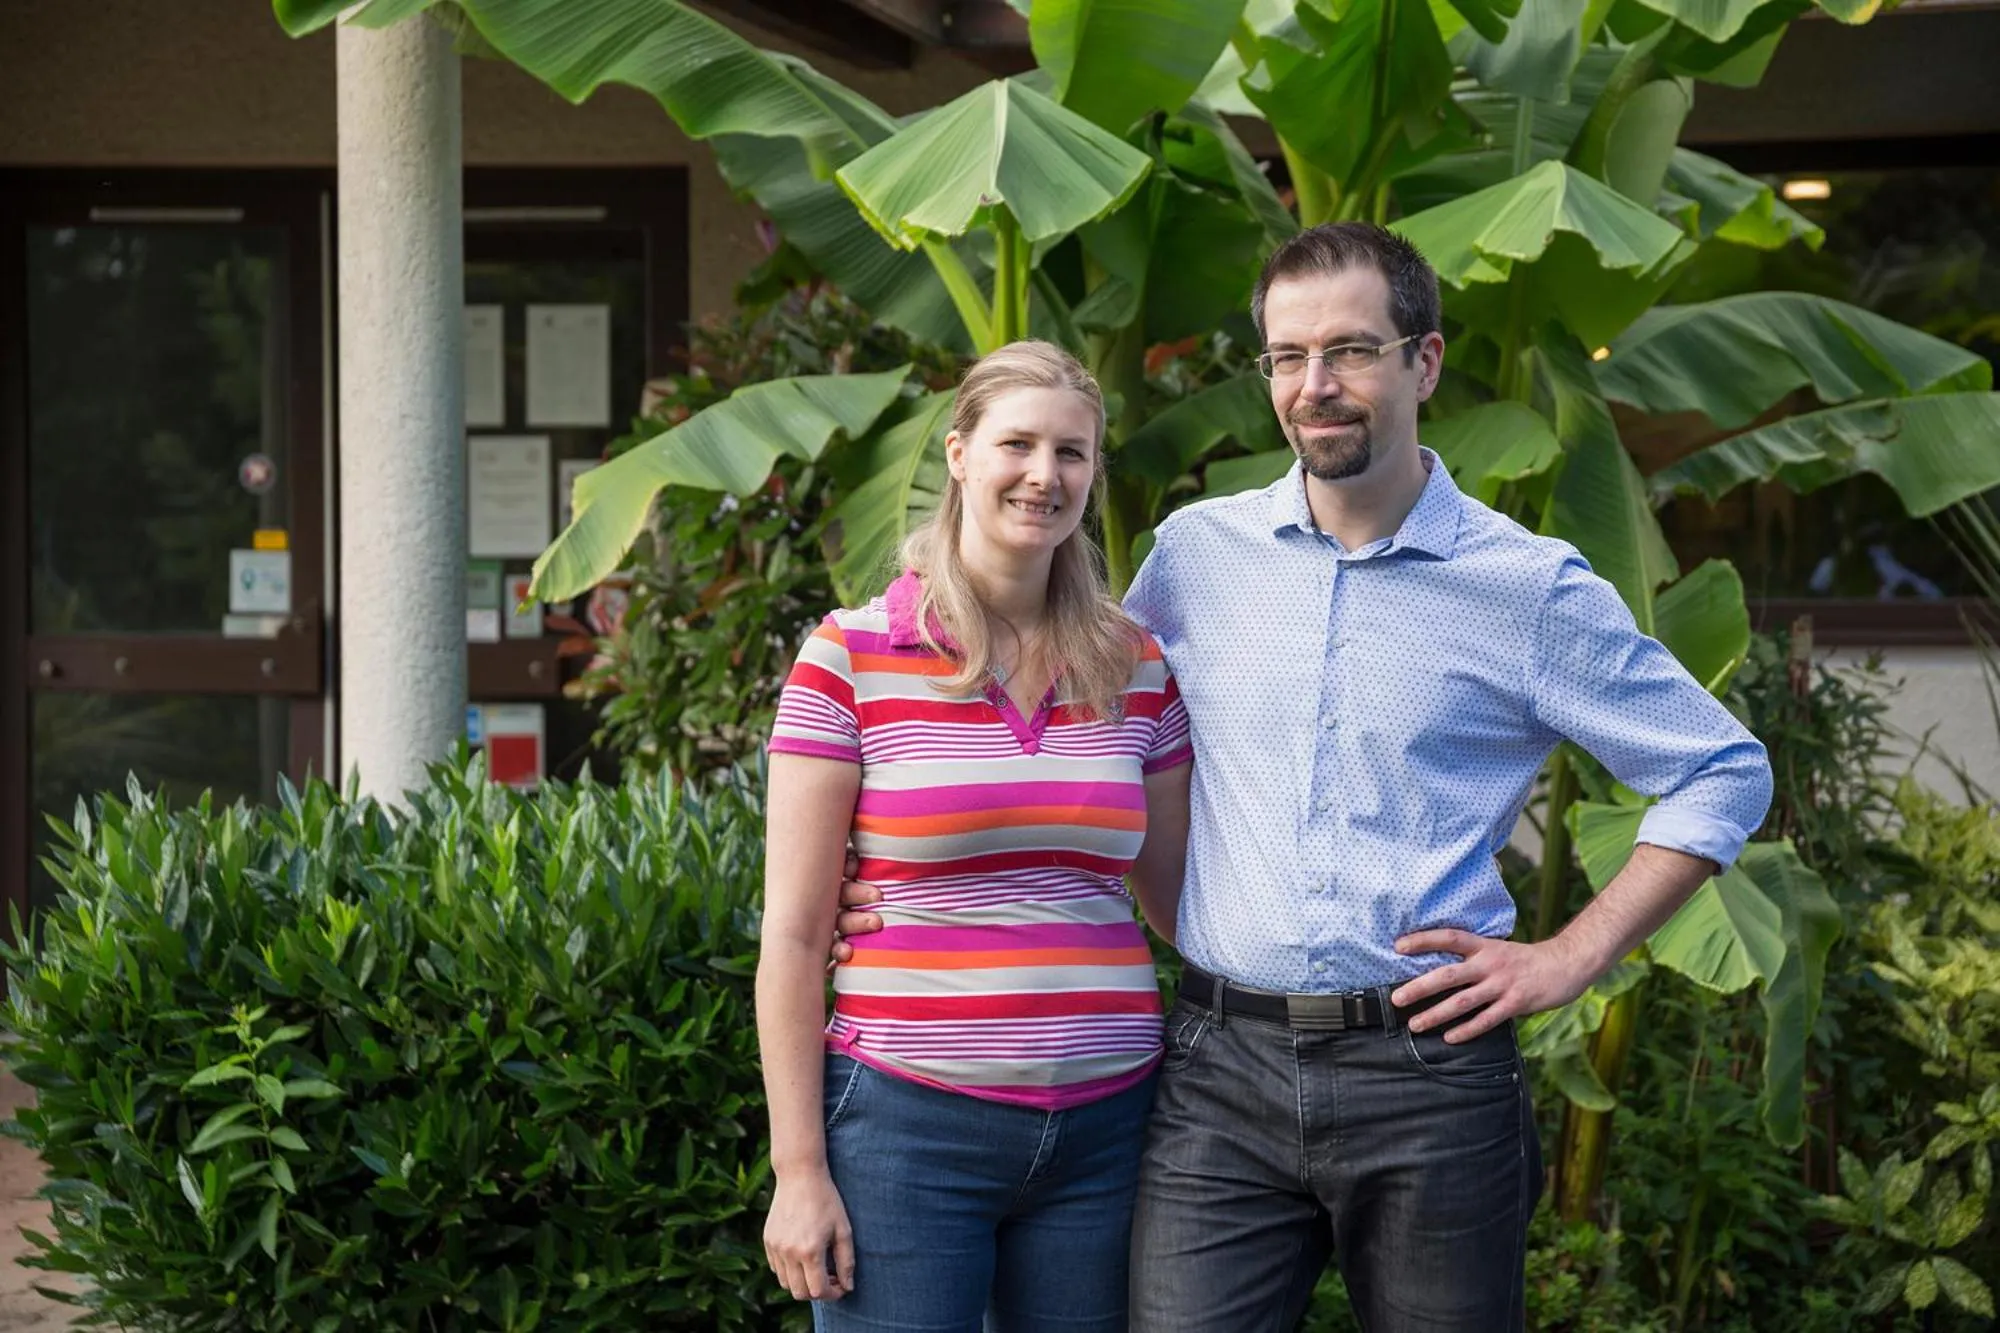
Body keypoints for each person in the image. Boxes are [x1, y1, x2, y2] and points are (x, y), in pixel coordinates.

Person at [833, 223, 1774, 1331]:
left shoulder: (1526, 589)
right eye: (1287, 356)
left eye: (1351, 351)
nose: (1314, 385)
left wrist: (1572, 956)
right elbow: (1082, 733)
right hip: (1217, 1072)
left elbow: (1721, 768)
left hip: (1429, 1074)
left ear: (1424, 362)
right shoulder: (1195, 556)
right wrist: (905, 879)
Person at [755, 339, 1195, 1331]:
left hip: (1108, 1129)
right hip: (908, 1127)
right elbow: (792, 934)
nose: (1045, 475)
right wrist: (798, 1169)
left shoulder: (1135, 665)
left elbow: (1182, 906)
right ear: (958, 455)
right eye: (1017, 444)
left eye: (1072, 452)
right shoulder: (849, 657)